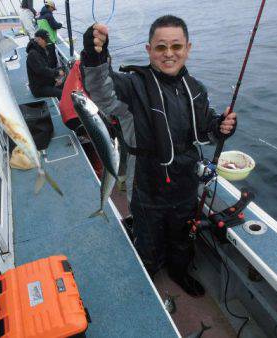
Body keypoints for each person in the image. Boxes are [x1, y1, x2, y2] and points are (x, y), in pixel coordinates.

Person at [80, 15, 237, 297]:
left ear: (188, 48)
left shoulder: (197, 90)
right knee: (148, 236)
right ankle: (148, 270)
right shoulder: (131, 85)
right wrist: (95, 56)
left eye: (176, 47)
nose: (169, 54)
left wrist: (221, 127)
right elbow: (100, 89)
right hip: (146, 183)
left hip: (185, 183)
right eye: (161, 47)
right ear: (148, 49)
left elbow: (207, 131)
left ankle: (179, 271)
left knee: (181, 235)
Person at [26, 29, 64, 100]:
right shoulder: (33, 54)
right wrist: (57, 72)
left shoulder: (40, 50)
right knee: (61, 93)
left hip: (45, 83)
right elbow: (42, 70)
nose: (46, 43)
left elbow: (46, 69)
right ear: (39, 39)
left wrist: (54, 80)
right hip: (39, 88)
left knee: (66, 85)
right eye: (46, 41)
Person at [37, 0, 62, 68]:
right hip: (49, 41)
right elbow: (55, 26)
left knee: (48, 58)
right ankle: (54, 74)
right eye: (53, 9)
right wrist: (60, 24)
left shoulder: (40, 17)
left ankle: (51, 71)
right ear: (50, 7)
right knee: (52, 59)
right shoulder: (48, 15)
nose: (53, 10)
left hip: (43, 41)